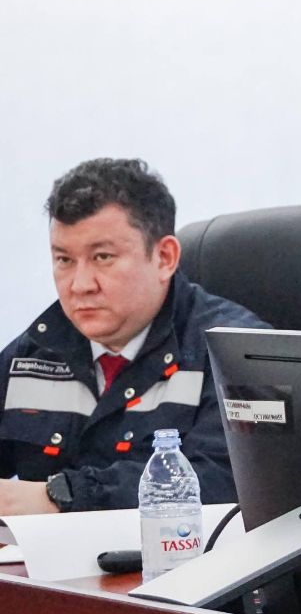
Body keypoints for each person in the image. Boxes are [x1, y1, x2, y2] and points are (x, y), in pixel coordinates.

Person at [0, 158, 268, 514]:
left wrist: (61, 498)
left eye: (102, 257)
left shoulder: (241, 353)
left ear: (165, 258)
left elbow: (228, 484)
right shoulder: (36, 351)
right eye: (64, 260)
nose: (80, 285)